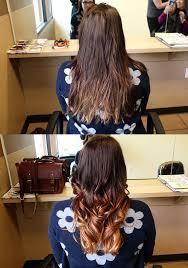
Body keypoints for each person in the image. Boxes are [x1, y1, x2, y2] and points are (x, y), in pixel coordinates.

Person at [48, 136, 156, 268]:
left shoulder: (60, 212)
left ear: (81, 169)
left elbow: (61, 260)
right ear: (121, 170)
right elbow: (147, 255)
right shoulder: (141, 212)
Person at [56, 4, 151, 135]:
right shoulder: (139, 74)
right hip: (129, 140)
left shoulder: (66, 73)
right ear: (118, 35)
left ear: (84, 35)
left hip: (83, 144)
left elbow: (66, 110)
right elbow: (141, 109)